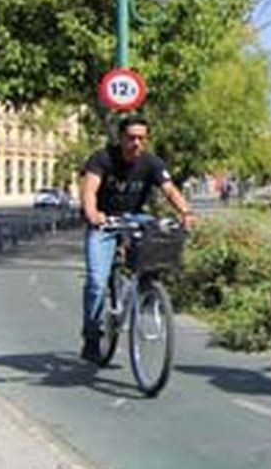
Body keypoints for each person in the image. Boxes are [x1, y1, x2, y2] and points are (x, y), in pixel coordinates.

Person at [78, 114, 193, 361]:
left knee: (159, 234)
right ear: (120, 138)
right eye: (131, 137)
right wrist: (92, 213)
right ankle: (91, 335)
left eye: (141, 138)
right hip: (105, 221)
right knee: (97, 281)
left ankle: (147, 287)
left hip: (134, 218)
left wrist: (185, 212)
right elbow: (89, 190)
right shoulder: (102, 159)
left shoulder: (151, 163)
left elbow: (170, 189)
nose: (137, 143)